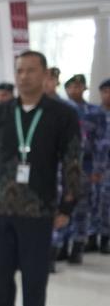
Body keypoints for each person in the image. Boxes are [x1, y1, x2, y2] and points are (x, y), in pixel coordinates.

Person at [0, 50, 82, 306]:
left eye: (31, 70)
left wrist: (67, 205)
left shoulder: (61, 115)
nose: (24, 76)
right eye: (20, 70)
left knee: (34, 280)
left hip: (38, 211)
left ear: (45, 75)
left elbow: (72, 161)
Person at [49, 74, 102, 265]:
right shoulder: (59, 108)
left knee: (82, 208)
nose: (75, 90)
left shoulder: (94, 112)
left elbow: (100, 142)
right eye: (71, 86)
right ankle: (61, 246)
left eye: (79, 86)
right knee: (62, 206)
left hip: (85, 165)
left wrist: (98, 168)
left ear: (84, 88)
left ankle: (78, 246)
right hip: (61, 165)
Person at [93, 78, 110, 254]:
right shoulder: (93, 113)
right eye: (105, 91)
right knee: (93, 201)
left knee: (107, 204)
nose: (108, 95)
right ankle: (90, 237)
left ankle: (105, 238)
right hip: (94, 166)